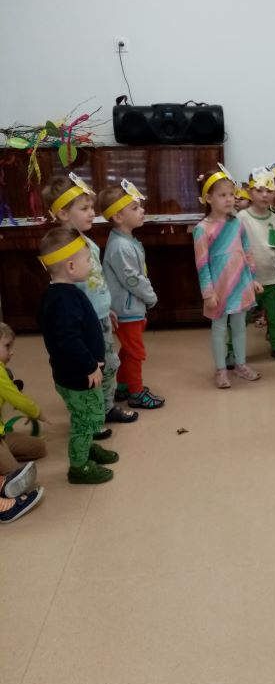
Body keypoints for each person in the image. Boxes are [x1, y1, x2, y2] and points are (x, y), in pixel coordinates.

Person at [41, 173, 137, 430]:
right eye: (84, 209)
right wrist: (93, 317)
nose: (92, 213)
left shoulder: (85, 241)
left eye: (91, 207)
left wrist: (107, 308)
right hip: (86, 321)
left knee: (108, 363)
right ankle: (96, 412)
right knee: (97, 365)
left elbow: (97, 279)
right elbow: (68, 294)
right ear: (63, 213)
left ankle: (104, 407)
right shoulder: (63, 248)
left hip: (100, 315)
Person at [37, 227, 118, 484]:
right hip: (80, 376)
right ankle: (79, 466)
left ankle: (88, 448)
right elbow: (68, 340)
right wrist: (90, 365)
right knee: (87, 419)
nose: (91, 264)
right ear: (71, 267)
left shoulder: (59, 293)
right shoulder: (65, 300)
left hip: (72, 373)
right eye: (87, 259)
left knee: (84, 415)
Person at [192, 168, 262, 388]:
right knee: (220, 329)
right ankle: (221, 369)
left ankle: (241, 364)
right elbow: (202, 264)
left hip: (240, 284)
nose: (229, 199)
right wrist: (208, 293)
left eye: (232, 194)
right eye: (222, 195)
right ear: (208, 198)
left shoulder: (237, 223)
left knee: (240, 326)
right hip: (219, 288)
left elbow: (247, 250)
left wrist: (252, 278)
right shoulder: (202, 229)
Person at [99, 181, 165, 408]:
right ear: (118, 216)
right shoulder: (121, 246)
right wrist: (150, 296)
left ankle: (123, 385)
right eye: (135, 208)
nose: (142, 210)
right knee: (136, 352)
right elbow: (132, 279)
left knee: (128, 350)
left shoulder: (125, 240)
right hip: (127, 310)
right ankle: (136, 393)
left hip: (130, 308)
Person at [238, 167, 275, 363]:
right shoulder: (241, 218)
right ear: (250, 192)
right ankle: (232, 351)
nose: (264, 195)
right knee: (240, 319)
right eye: (259, 190)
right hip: (247, 280)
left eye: (269, 190)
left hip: (273, 279)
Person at [0, 322, 46, 521]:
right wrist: (37, 413)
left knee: (39, 448)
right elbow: (19, 399)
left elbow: (11, 395)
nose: (11, 352)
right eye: (7, 346)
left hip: (2, 434)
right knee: (14, 476)